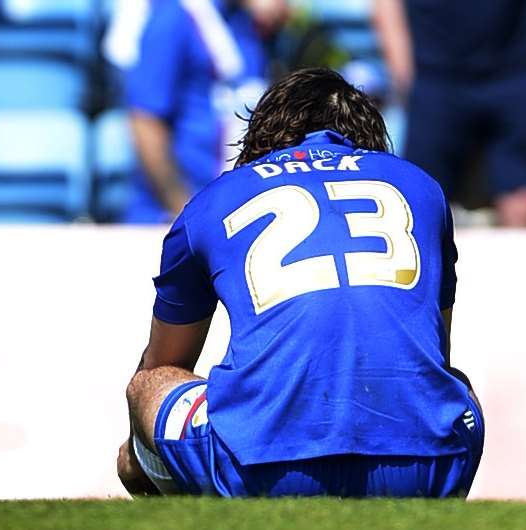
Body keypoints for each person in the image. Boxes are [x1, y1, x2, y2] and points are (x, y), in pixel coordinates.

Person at [116, 68, 484, 497]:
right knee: (456, 388)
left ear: (261, 140)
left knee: (151, 384)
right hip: (425, 467)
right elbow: (433, 357)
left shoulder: (211, 202)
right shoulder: (422, 189)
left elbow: (164, 362)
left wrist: (137, 457)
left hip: (265, 471)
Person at [373, 0, 526, 227]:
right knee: (423, 201)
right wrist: (404, 73)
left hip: (514, 71)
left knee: (521, 201)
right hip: (435, 76)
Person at [123, 0, 287, 223]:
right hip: (173, 218)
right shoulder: (176, 17)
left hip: (236, 215)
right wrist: (183, 212)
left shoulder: (249, 24)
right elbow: (145, 122)